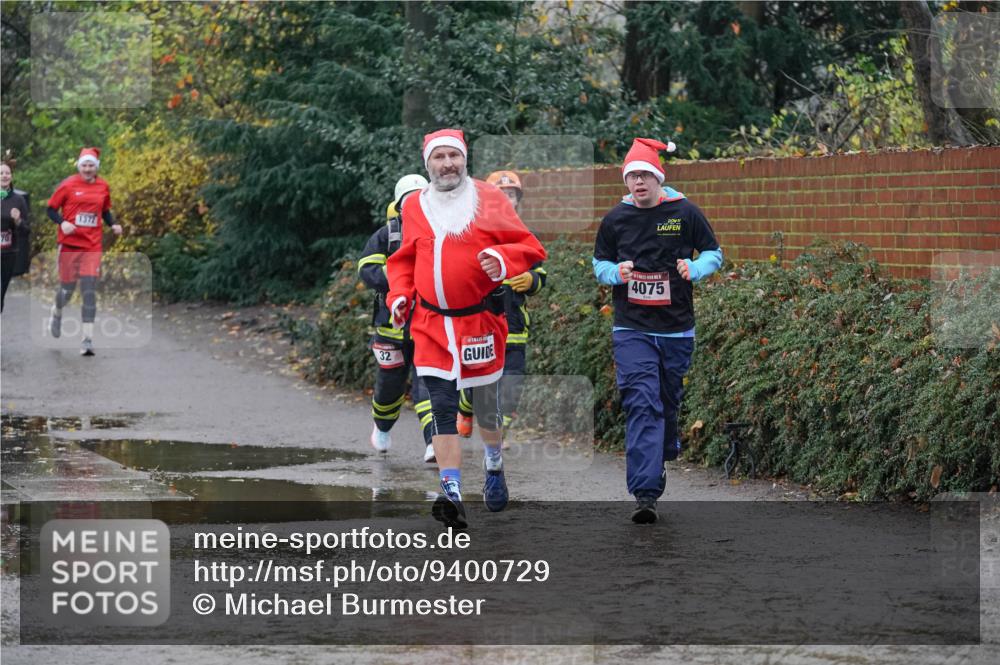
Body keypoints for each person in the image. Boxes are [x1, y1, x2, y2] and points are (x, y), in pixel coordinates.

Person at [387, 129, 546, 528]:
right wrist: (399, 297)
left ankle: (494, 465)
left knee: (484, 405)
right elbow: (403, 261)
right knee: (440, 404)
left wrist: (501, 257)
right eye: (438, 157)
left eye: (453, 156)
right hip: (431, 323)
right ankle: (452, 490)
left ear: (464, 159)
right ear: (428, 165)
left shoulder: (488, 199)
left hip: (479, 322)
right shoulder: (415, 207)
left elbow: (530, 247)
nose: (447, 164)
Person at [592, 138, 723, 524]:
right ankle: (645, 493)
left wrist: (695, 269)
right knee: (642, 402)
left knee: (666, 401)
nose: (638, 182)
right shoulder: (616, 218)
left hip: (676, 330)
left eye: (645, 174)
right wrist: (616, 273)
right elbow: (599, 262)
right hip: (631, 327)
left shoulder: (684, 212)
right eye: (632, 175)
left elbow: (714, 253)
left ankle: (666, 446)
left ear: (658, 177)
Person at [457, 170, 546, 438]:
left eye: (511, 195)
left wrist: (531, 279)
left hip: (515, 326)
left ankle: (499, 431)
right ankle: (465, 407)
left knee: (512, 383)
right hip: (481, 324)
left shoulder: (525, 235)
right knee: (477, 379)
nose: (507, 200)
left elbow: (541, 275)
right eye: (501, 195)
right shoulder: (472, 232)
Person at [357, 174, 436, 463]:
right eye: (410, 201)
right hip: (391, 327)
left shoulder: (440, 231)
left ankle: (433, 444)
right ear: (400, 206)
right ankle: (382, 427)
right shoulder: (386, 234)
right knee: (389, 385)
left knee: (428, 384)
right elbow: (366, 267)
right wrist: (397, 277)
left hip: (429, 326)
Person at [46, 147, 122, 356]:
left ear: (96, 167)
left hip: (92, 245)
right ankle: (57, 310)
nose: (88, 169)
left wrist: (113, 225)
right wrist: (62, 223)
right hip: (70, 245)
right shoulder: (68, 185)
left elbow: (104, 211)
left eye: (91, 166)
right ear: (79, 167)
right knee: (67, 291)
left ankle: (87, 339)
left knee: (89, 291)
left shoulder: (103, 186)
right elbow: (50, 209)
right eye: (84, 165)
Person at [1, 161, 30, 312]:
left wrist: (18, 220)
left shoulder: (18, 200)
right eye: (1, 173)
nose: (4, 176)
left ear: (11, 177)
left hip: (8, 254)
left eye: (7, 173)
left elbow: (26, 230)